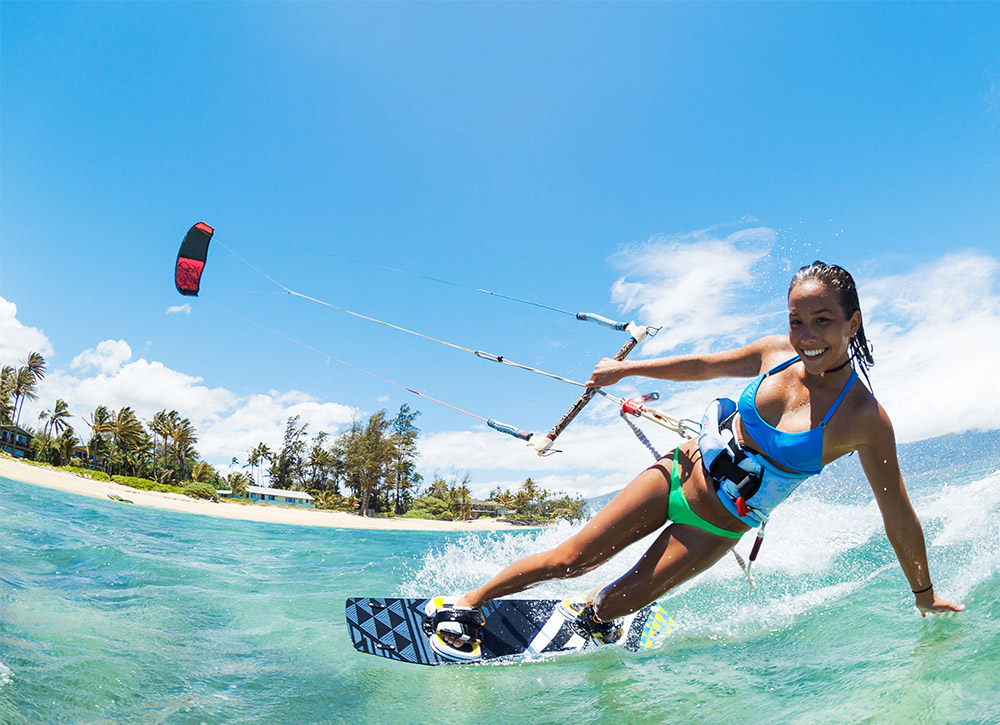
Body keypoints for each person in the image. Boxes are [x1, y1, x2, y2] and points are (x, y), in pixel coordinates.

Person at [428, 261, 964, 661]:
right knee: (573, 558)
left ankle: (596, 610)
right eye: (797, 320)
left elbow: (896, 512)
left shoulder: (864, 420)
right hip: (679, 475)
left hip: (716, 528)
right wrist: (628, 371)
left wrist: (925, 593)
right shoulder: (776, 354)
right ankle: (466, 602)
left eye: (821, 320)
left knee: (611, 609)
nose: (806, 335)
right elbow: (704, 365)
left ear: (852, 321)